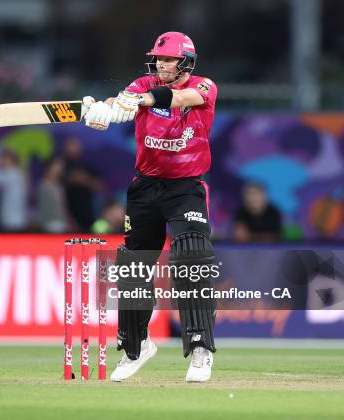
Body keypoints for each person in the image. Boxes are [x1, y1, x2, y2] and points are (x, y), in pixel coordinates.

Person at [84, 32, 218, 382]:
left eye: (170, 59)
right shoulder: (143, 83)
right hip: (144, 187)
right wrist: (103, 111)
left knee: (192, 255)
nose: (162, 64)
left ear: (186, 62)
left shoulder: (204, 87)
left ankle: (201, 348)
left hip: (186, 187)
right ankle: (136, 346)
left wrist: (139, 100)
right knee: (132, 266)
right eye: (159, 59)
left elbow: (176, 98)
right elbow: (124, 103)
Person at [61, 138, 103, 231]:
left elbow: (100, 187)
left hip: (87, 213)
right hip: (65, 214)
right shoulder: (61, 167)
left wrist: (85, 180)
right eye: (70, 148)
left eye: (75, 147)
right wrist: (71, 179)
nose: (73, 151)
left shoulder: (87, 167)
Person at [37, 158, 70, 233]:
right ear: (50, 168)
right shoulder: (44, 185)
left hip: (61, 222)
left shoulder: (59, 186)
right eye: (57, 166)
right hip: (50, 223)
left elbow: (62, 206)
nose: (60, 168)